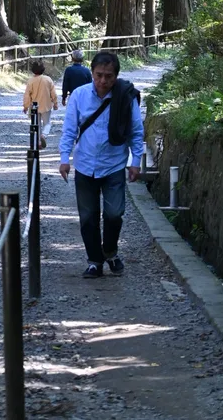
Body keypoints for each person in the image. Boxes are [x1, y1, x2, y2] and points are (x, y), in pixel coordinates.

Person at [59, 50, 143, 278]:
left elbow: (136, 131)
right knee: (88, 218)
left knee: (114, 214)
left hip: (114, 163)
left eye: (108, 76)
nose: (103, 81)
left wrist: (136, 161)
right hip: (85, 164)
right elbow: (69, 130)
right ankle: (95, 260)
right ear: (92, 72)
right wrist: (64, 158)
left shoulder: (126, 96)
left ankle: (110, 251)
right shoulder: (79, 95)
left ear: (116, 76)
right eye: (98, 75)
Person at [22, 60, 58, 148]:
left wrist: (26, 106)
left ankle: (38, 142)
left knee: (36, 125)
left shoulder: (31, 81)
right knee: (47, 123)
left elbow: (27, 95)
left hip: (34, 107)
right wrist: (55, 103)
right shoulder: (48, 79)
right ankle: (44, 135)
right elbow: (53, 93)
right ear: (43, 69)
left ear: (33, 70)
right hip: (46, 105)